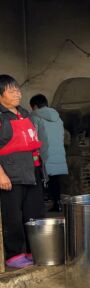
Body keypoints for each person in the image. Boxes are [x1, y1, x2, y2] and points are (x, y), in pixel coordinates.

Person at [0, 75, 46, 269]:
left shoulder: (24, 113)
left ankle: (30, 250)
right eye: (11, 91)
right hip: (10, 176)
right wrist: (0, 174)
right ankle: (14, 254)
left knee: (33, 215)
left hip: (31, 172)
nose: (17, 93)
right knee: (13, 218)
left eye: (18, 89)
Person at [30, 94, 68, 212]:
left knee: (40, 179)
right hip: (59, 151)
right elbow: (62, 134)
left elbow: (33, 135)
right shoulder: (58, 117)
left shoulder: (34, 116)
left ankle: (40, 205)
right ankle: (57, 203)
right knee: (55, 180)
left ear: (35, 106)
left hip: (42, 153)